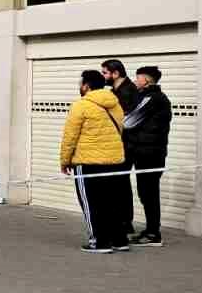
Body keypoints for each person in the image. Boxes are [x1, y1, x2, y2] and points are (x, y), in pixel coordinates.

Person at [60, 69, 131, 254]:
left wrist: (65, 160)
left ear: (86, 85)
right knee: (114, 202)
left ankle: (99, 242)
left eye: (81, 83)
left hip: (88, 162)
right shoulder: (114, 104)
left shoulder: (81, 105)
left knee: (91, 204)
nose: (80, 86)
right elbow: (121, 129)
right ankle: (119, 240)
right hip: (115, 161)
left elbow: (70, 136)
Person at [124, 66, 172, 247]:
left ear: (146, 80)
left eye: (138, 79)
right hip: (148, 153)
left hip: (149, 154)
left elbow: (129, 122)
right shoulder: (152, 98)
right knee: (147, 192)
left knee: (149, 193)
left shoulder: (153, 98)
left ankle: (153, 233)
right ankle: (151, 230)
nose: (136, 81)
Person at [100, 58, 140, 239]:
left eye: (105, 73)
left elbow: (125, 120)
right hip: (119, 144)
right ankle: (122, 222)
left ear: (115, 73)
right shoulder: (115, 91)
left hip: (127, 145)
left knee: (120, 183)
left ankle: (124, 223)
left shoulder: (128, 92)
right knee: (118, 183)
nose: (103, 76)